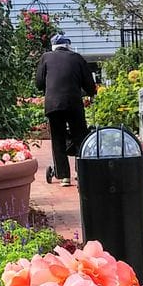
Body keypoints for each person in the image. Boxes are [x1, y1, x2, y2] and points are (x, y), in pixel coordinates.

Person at [35, 33, 96, 186]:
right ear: (67, 45)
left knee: (57, 138)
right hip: (73, 102)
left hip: (53, 104)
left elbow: (39, 83)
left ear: (53, 46)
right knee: (80, 136)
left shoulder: (46, 58)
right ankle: (81, 173)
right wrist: (88, 93)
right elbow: (89, 84)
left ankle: (64, 176)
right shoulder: (77, 58)